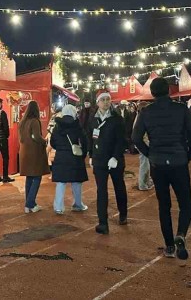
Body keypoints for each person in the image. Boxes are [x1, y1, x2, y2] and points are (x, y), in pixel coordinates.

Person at [132, 77, 191, 260]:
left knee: (164, 205)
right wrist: (190, 154)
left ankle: (169, 246)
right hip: (179, 161)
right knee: (185, 203)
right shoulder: (181, 109)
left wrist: (149, 153)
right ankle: (181, 234)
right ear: (169, 91)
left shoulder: (146, 112)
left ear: (152, 93)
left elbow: (136, 137)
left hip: (158, 163)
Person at [88, 92, 128, 235]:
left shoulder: (117, 119)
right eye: (103, 100)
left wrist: (116, 157)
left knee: (119, 187)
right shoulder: (93, 119)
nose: (106, 102)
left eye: (108, 99)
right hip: (99, 160)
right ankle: (103, 222)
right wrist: (91, 155)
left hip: (115, 160)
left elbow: (122, 140)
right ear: (97, 102)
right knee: (101, 191)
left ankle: (123, 214)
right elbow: (90, 137)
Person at [50, 105, 89, 214]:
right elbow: (84, 141)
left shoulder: (57, 126)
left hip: (61, 157)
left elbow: (53, 142)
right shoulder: (77, 125)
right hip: (75, 157)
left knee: (60, 183)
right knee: (76, 182)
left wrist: (60, 149)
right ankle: (78, 204)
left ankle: (58, 207)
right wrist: (83, 154)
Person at [19, 101, 48, 213]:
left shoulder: (23, 122)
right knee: (37, 177)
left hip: (25, 153)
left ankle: (29, 204)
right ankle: (30, 203)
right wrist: (44, 141)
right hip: (34, 153)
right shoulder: (35, 121)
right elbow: (37, 137)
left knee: (29, 178)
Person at [134, 102, 154, 192]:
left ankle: (146, 181)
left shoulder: (139, 117)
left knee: (146, 163)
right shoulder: (141, 118)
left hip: (143, 142)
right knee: (145, 164)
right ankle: (142, 184)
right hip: (144, 143)